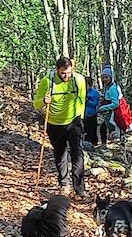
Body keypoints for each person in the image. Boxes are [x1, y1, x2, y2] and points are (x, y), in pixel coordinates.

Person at [33, 57, 87, 196]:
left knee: (78, 154)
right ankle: (64, 184)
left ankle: (79, 188)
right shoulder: (47, 81)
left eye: (69, 72)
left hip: (74, 122)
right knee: (60, 155)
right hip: (55, 124)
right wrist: (44, 101)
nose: (66, 76)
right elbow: (36, 104)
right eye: (63, 73)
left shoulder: (79, 80)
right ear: (57, 70)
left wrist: (80, 118)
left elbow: (82, 99)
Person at [95, 65, 123, 144]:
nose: (104, 79)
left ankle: (117, 146)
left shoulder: (113, 88)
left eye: (106, 77)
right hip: (109, 114)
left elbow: (115, 103)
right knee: (104, 128)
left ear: (111, 77)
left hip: (113, 114)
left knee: (113, 129)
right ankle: (104, 144)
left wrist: (103, 108)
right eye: (103, 77)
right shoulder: (108, 87)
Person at [82, 69, 104, 146]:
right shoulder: (82, 92)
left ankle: (94, 143)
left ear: (90, 85)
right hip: (84, 114)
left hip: (92, 114)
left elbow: (95, 103)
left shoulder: (95, 93)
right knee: (85, 130)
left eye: (86, 85)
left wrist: (87, 100)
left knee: (92, 129)